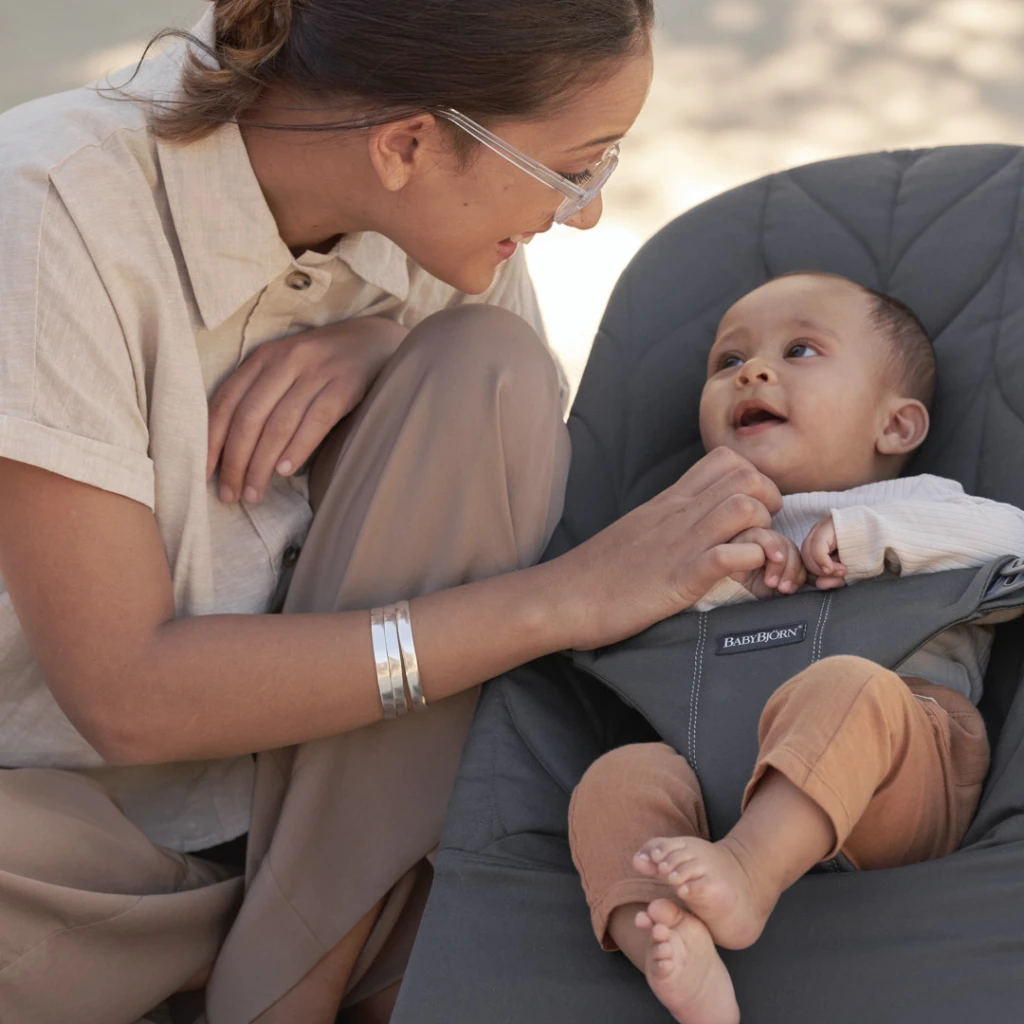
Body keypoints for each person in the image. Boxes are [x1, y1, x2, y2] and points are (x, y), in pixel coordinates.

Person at [0, 2, 791, 1023]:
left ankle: (294, 956)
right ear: (408, 143)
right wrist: (560, 602)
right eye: (576, 167)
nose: (586, 209)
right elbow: (127, 694)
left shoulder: (448, 223)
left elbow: (487, 443)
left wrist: (385, 349)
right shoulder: (50, 212)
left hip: (338, 804)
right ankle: (317, 941)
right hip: (73, 828)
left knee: (484, 366)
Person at [568, 272, 1024, 1024]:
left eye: (801, 349)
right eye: (727, 361)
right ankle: (661, 938)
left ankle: (749, 873)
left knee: (843, 686)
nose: (751, 370)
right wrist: (720, 575)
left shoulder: (921, 504)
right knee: (616, 778)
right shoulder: (700, 530)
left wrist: (867, 541)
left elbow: (1011, 540)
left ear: (897, 428)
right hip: (718, 777)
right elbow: (615, 617)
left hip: (902, 774)